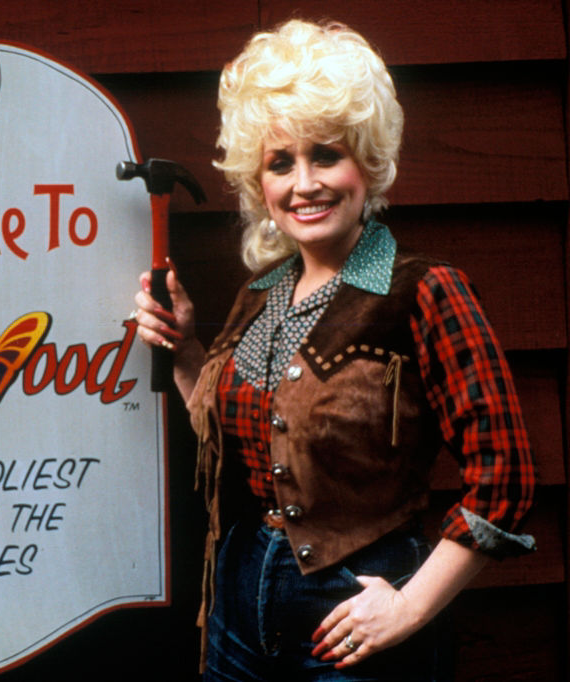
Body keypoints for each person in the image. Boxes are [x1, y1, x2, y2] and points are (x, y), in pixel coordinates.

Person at [132, 19, 536, 681]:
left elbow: (506, 477)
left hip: (356, 610)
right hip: (237, 603)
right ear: (259, 181)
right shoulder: (261, 293)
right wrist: (183, 346)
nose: (304, 183)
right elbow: (230, 432)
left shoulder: (425, 291)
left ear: (367, 163)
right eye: (280, 163)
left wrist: (409, 607)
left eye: (326, 155)